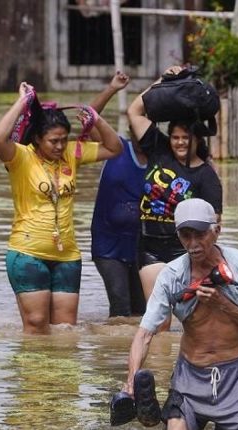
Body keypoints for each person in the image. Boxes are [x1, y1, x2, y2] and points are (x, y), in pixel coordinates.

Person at [123, 198, 238, 429]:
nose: (193, 243)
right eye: (185, 235)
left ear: (217, 231)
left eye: (200, 234)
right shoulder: (172, 276)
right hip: (190, 376)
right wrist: (131, 380)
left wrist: (224, 304)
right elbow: (144, 334)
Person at [0, 81, 122, 334]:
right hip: (28, 253)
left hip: (67, 256)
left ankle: (61, 375)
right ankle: (31, 373)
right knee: (37, 325)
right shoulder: (21, 157)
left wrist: (96, 120)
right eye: (53, 141)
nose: (60, 146)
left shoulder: (73, 153)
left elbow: (115, 149)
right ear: (38, 139)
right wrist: (22, 102)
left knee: (65, 331)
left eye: (63, 140)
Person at [127, 66, 223, 313]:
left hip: (184, 250)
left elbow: (214, 226)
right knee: (159, 317)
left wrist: (201, 259)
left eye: (185, 137)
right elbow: (135, 110)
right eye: (175, 137)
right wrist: (165, 79)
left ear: (198, 140)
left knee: (189, 319)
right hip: (149, 246)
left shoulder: (206, 176)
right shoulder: (158, 150)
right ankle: (160, 353)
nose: (180, 142)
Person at [89, 70, 147, 318]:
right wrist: (112, 88)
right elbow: (88, 119)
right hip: (108, 244)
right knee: (120, 307)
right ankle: (113, 356)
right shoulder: (115, 148)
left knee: (142, 311)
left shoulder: (161, 160)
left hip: (141, 245)